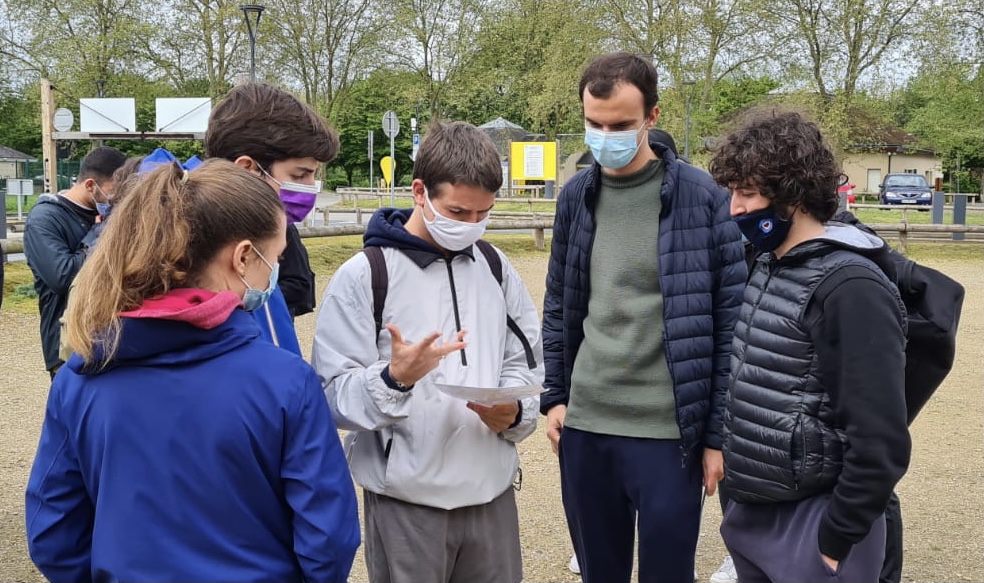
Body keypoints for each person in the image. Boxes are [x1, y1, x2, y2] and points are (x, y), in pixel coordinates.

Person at [25, 159, 360, 582]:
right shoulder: (286, 381)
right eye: (274, 257)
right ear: (242, 256)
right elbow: (328, 537)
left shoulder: (81, 376)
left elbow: (53, 531)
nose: (274, 272)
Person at [542, 51, 746, 583]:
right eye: (594, 124)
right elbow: (561, 301)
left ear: (652, 118)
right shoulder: (575, 198)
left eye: (621, 125)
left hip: (668, 433)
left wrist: (716, 435)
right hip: (586, 426)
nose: (605, 134)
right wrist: (556, 396)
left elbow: (730, 324)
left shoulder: (705, 198)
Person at [312, 121, 543, 583]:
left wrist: (517, 414)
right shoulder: (364, 276)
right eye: (458, 211)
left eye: (484, 214)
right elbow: (330, 397)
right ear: (419, 191)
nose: (472, 226)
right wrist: (394, 379)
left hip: (490, 498)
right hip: (406, 506)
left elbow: (527, 365)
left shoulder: (496, 268)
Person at [709, 110, 910, 583]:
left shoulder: (851, 287)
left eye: (748, 193)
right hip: (754, 509)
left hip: (813, 523)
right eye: (732, 192)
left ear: (793, 195)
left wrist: (837, 537)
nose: (735, 208)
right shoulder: (766, 263)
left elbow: (879, 437)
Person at [204, 82, 337, 354]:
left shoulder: (262, 245)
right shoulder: (190, 262)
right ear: (247, 170)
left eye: (313, 175)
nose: (310, 188)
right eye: (299, 176)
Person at [23, 146, 126, 378]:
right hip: (67, 344)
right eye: (113, 192)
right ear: (90, 185)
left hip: (107, 339)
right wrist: (102, 234)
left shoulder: (106, 214)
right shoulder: (45, 219)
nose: (116, 199)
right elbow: (62, 276)